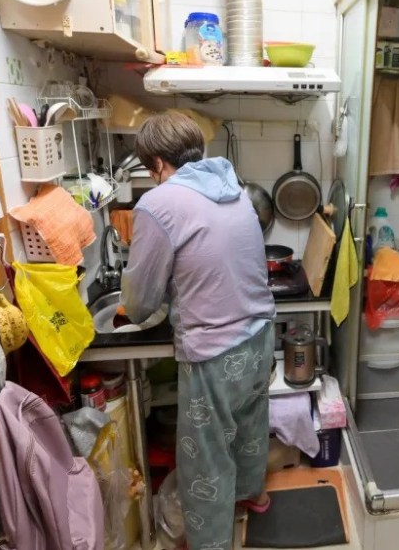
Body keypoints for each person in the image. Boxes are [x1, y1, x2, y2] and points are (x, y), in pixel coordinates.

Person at [121, 112, 275, 550]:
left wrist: (128, 301)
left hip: (214, 352)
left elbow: (141, 300)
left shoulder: (159, 203)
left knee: (205, 456)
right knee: (249, 424)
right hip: (261, 335)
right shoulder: (234, 186)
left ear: (156, 162)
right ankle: (254, 495)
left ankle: (211, 543)